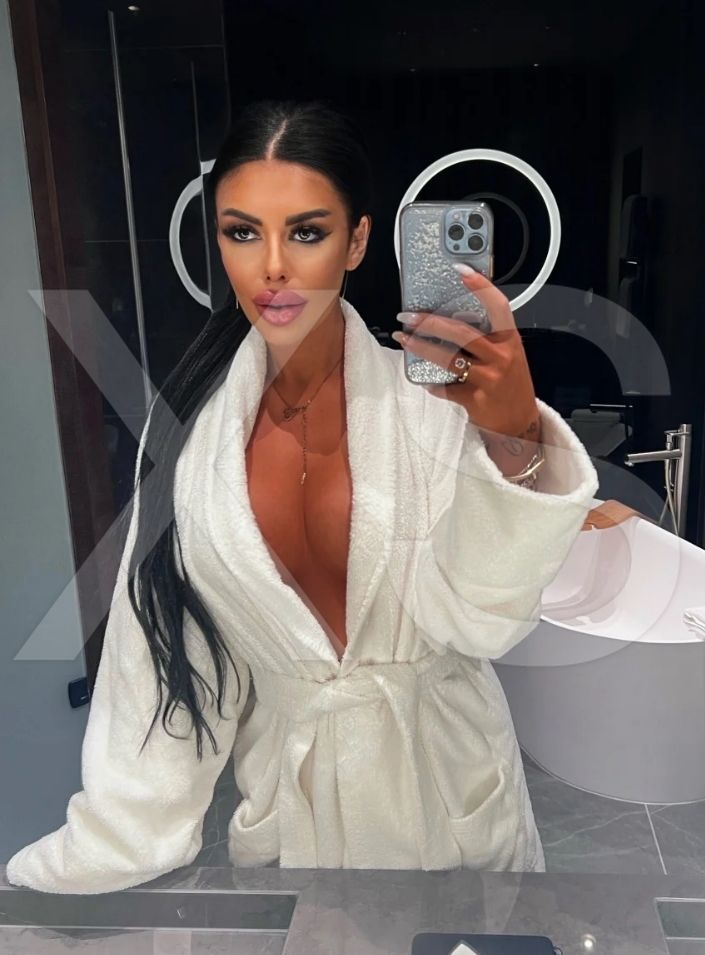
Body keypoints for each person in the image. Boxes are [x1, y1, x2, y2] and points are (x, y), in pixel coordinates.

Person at [6, 98, 598, 894]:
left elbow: (482, 622)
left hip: (450, 808)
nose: (272, 265)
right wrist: (115, 838)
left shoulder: (431, 408)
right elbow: (159, 653)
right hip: (299, 823)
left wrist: (513, 433)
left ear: (356, 240)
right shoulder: (190, 438)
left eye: (307, 232)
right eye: (242, 232)